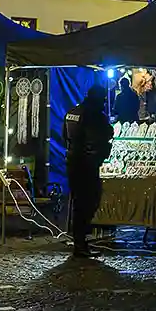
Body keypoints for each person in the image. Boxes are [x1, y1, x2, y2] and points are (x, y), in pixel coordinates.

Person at [63, 83, 113, 257]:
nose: (105, 103)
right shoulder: (94, 115)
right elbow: (102, 135)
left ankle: (79, 241)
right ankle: (80, 243)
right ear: (98, 99)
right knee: (88, 203)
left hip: (72, 162)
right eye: (104, 99)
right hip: (87, 165)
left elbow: (65, 136)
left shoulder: (72, 112)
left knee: (79, 202)